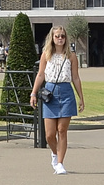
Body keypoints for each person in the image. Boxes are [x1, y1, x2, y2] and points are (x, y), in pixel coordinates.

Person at [30, 26, 84, 174]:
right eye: (57, 36)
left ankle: (60, 163)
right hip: (50, 92)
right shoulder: (46, 55)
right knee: (49, 134)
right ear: (52, 38)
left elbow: (75, 77)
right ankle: (54, 153)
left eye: (62, 36)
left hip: (66, 91)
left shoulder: (71, 56)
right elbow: (40, 75)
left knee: (62, 130)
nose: (60, 39)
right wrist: (33, 93)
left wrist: (81, 98)